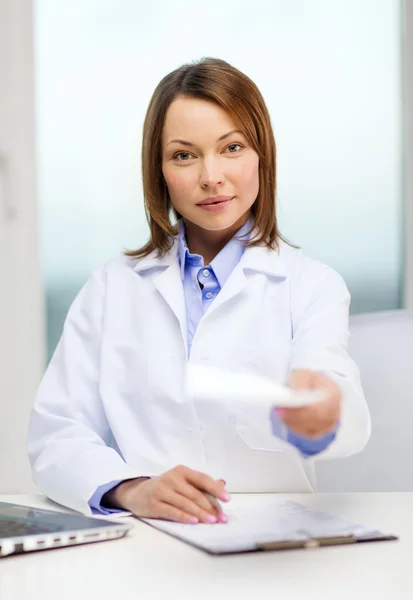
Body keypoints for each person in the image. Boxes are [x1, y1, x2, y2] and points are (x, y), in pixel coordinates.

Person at [27, 58, 371, 524]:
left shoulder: (312, 286)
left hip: (275, 542)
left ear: (261, 155)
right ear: (159, 170)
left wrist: (322, 413)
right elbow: (57, 434)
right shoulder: (111, 287)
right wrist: (134, 490)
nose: (211, 176)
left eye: (232, 147)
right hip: (148, 537)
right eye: (184, 155)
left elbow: (336, 399)